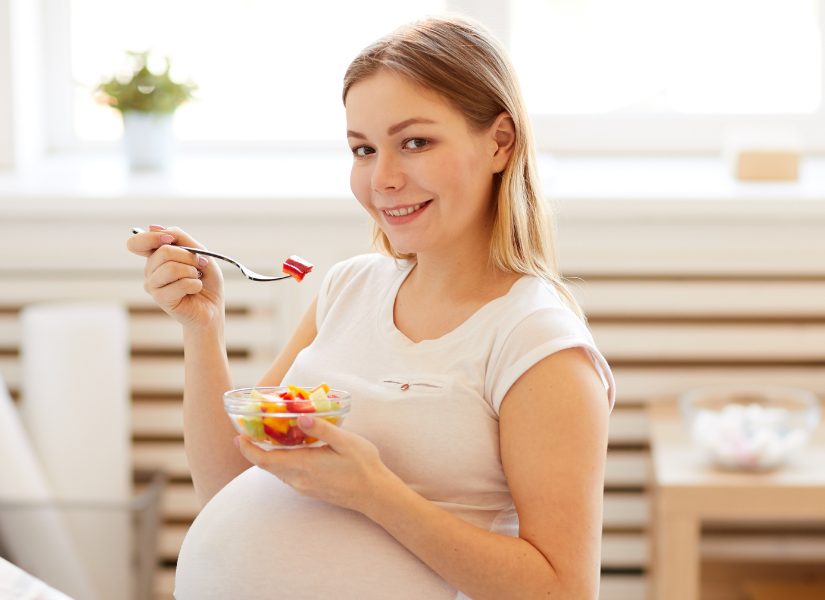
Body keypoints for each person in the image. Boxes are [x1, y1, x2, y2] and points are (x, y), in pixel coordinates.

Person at [127, 14, 614, 600]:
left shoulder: (536, 343)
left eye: (415, 142)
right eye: (363, 149)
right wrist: (202, 331)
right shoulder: (346, 289)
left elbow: (563, 589)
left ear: (500, 142)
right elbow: (231, 482)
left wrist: (374, 492)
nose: (381, 178)